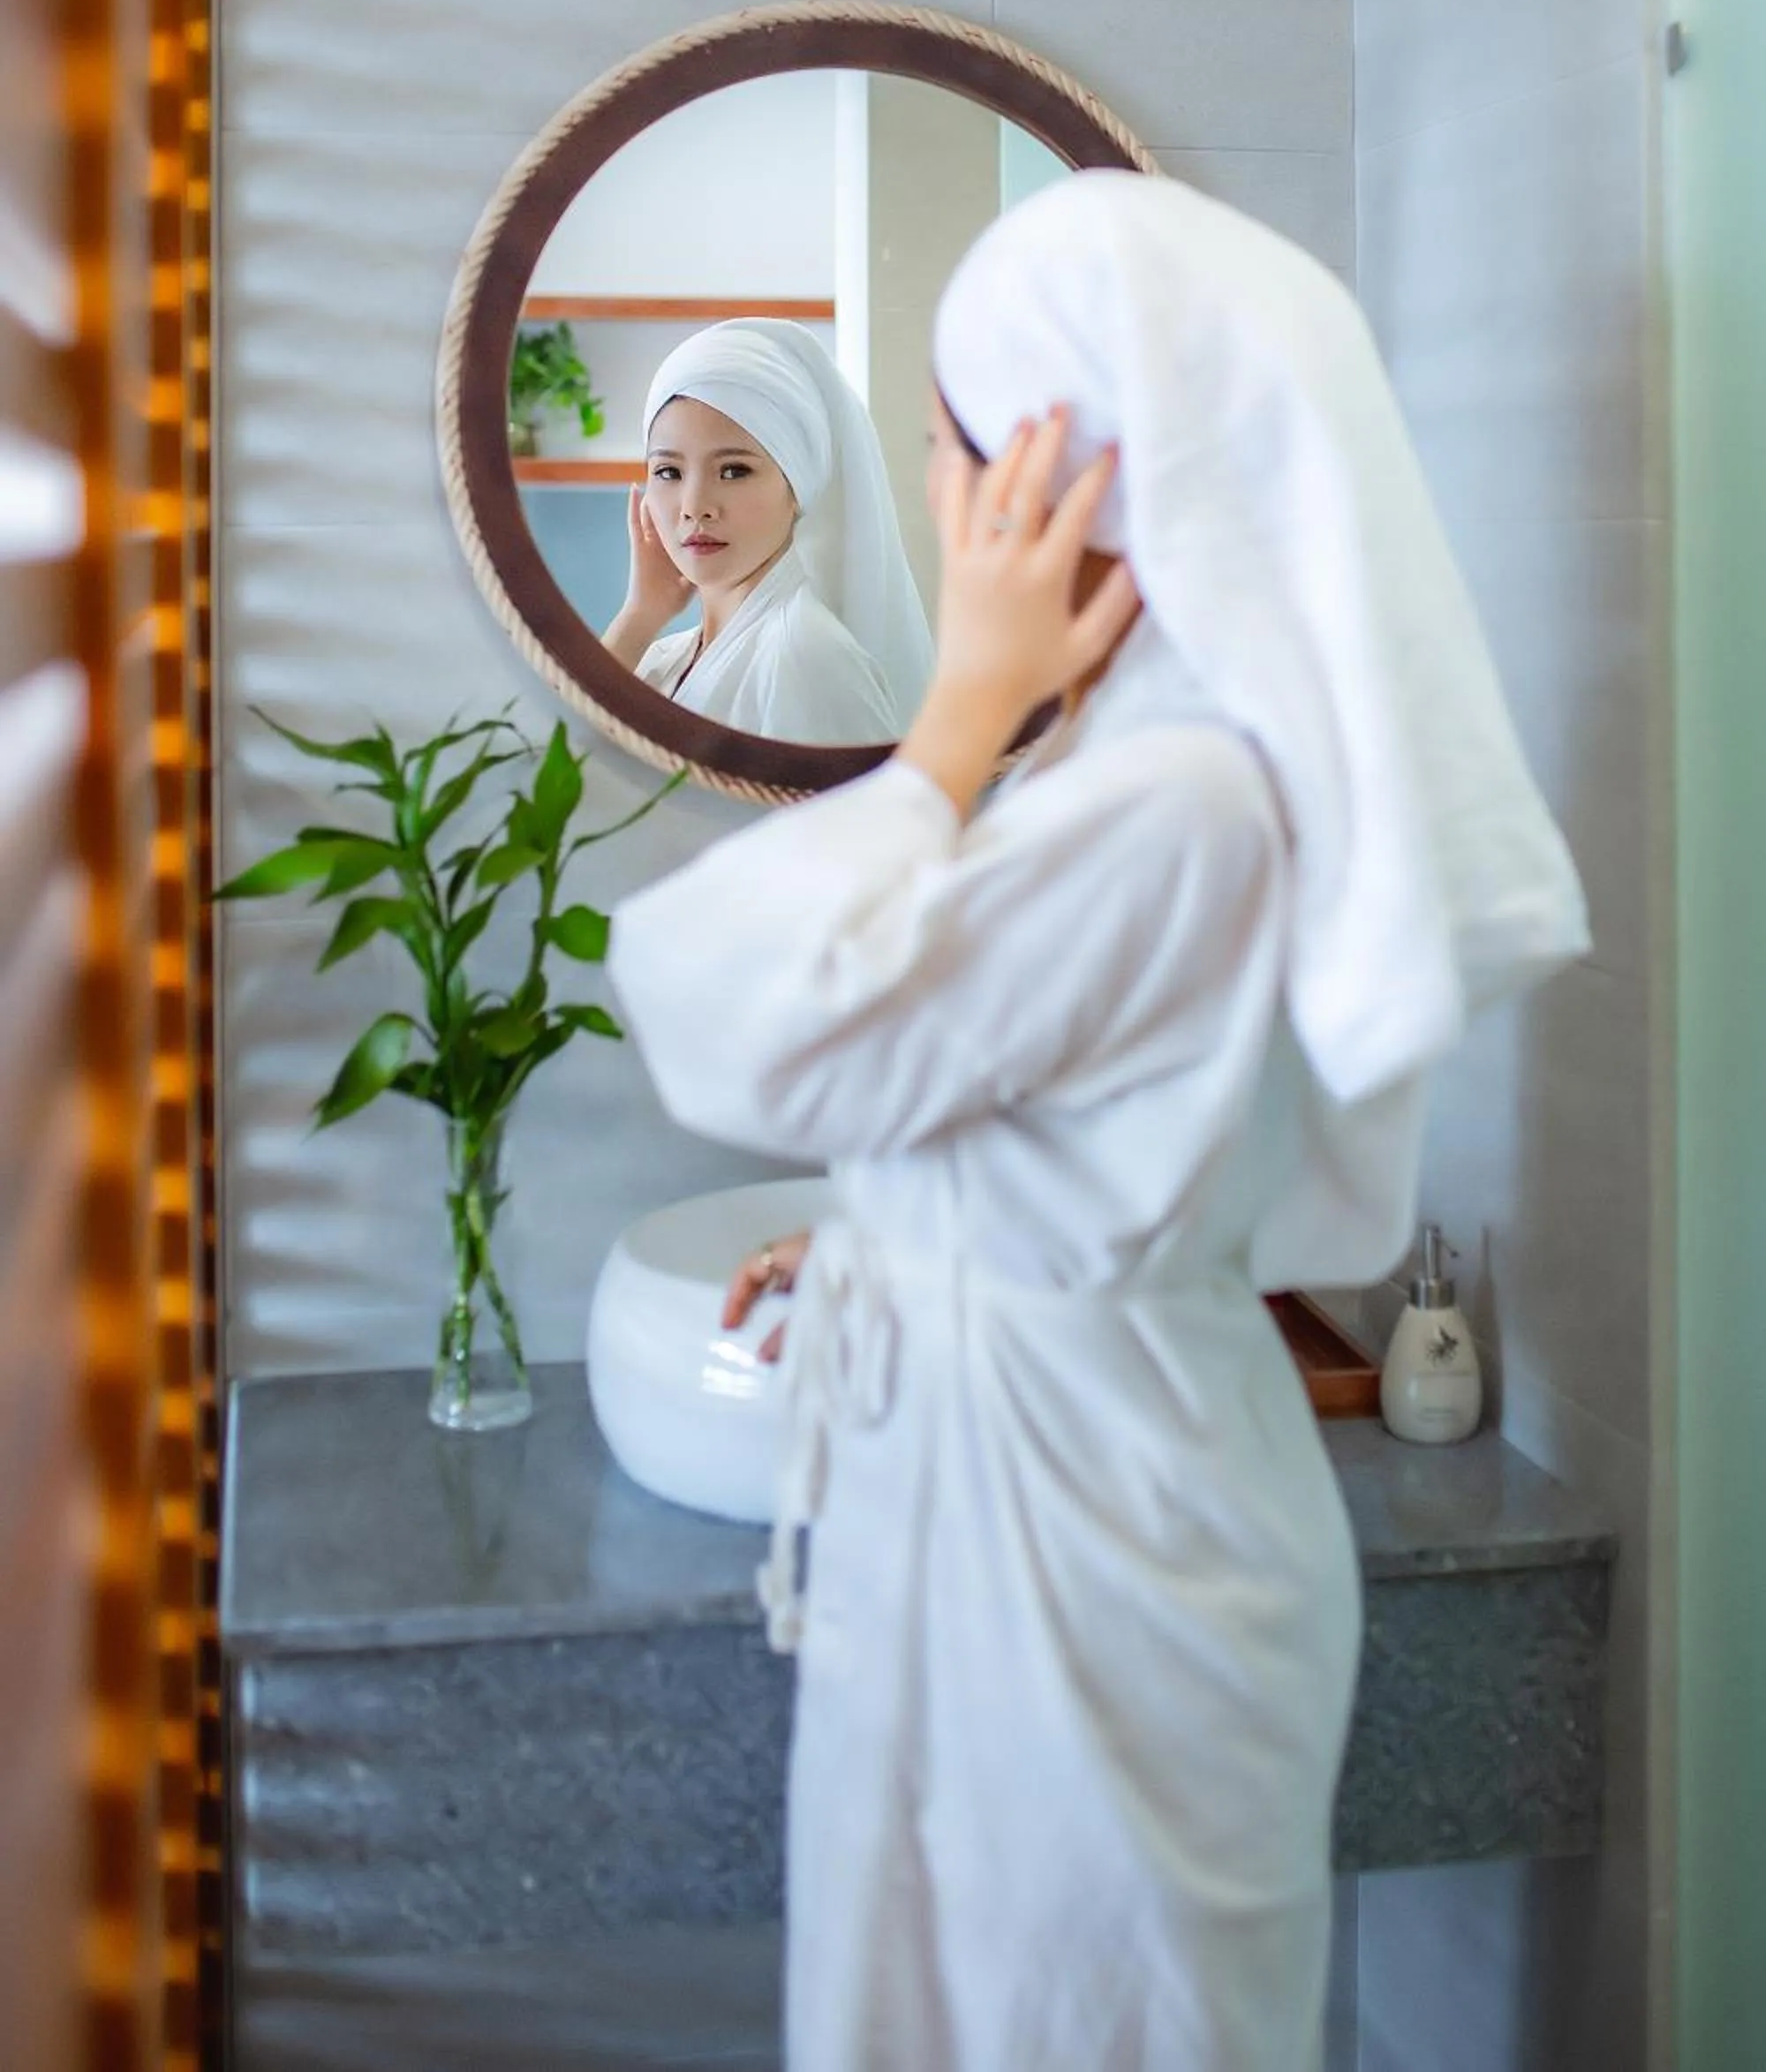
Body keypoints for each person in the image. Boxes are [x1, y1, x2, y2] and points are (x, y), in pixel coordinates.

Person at [608, 172, 1589, 2072]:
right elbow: (1066, 1103)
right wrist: (917, 1225)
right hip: (1076, 1484)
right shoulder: (1152, 768)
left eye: (948, 452)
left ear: (1060, 480)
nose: (941, 509)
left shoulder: (1184, 801)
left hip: (1093, 1564)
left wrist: (953, 718)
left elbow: (732, 1020)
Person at [600, 316, 932, 746]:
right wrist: (640, 614)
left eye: (734, 470)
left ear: (797, 485)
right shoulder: (666, 657)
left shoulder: (807, 659)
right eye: (668, 471)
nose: (694, 507)